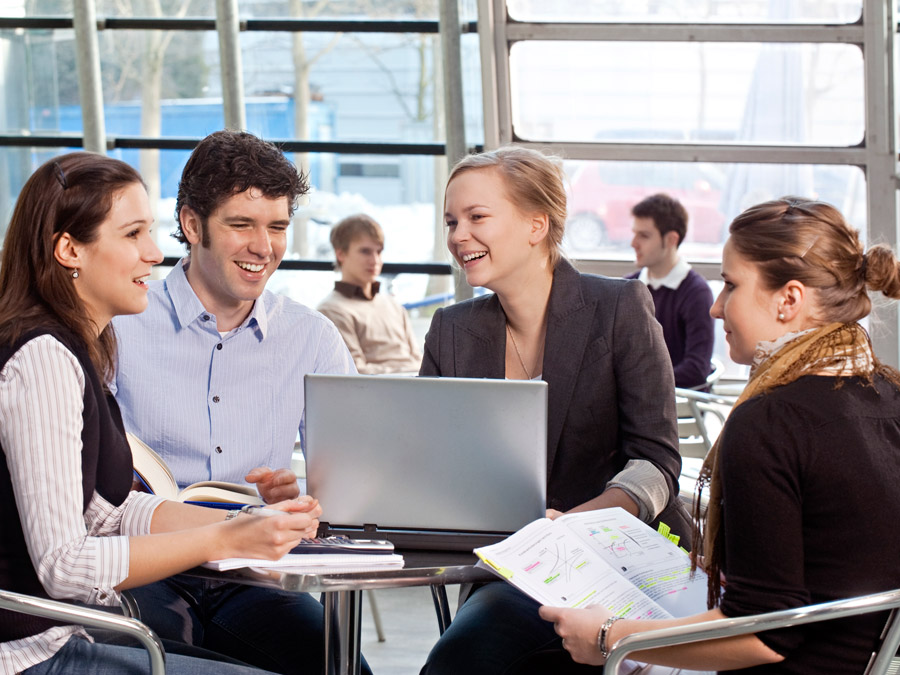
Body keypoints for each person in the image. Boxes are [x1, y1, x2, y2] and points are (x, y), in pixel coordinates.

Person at [541, 197, 900, 673]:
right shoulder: (887, 394)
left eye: (730, 285)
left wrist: (609, 637)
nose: (714, 307)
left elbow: (763, 632)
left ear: (788, 299)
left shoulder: (770, 421)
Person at [0, 152, 321, 675]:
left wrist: (248, 523)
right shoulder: (43, 360)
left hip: (70, 632)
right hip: (35, 652)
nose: (154, 254)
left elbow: (110, 514)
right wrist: (224, 538)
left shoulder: (78, 348)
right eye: (132, 235)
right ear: (69, 250)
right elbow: (64, 566)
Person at [419, 146, 690, 675]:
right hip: (505, 569)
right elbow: (429, 459)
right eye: (451, 221)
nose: (457, 235)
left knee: (462, 661)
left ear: (536, 224)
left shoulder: (618, 309)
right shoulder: (452, 331)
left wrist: (566, 529)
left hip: (614, 567)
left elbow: (657, 463)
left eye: (477, 217)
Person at [109, 130, 364, 674]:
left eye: (276, 227)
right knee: (167, 662)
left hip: (253, 573)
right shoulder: (120, 323)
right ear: (192, 224)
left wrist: (307, 494)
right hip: (143, 565)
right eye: (241, 225)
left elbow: (354, 484)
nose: (263, 247)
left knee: (344, 669)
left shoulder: (312, 337)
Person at [627, 194, 715, 389]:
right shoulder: (628, 289)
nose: (634, 243)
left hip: (678, 405)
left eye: (644, 235)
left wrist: (638, 383)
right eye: (634, 233)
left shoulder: (696, 293)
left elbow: (696, 369)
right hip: (635, 402)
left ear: (671, 239)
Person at [317, 213, 422, 373]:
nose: (375, 260)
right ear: (341, 254)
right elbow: (356, 372)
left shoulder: (393, 306)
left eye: (379, 252)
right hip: (373, 395)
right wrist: (410, 370)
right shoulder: (330, 310)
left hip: (416, 390)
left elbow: (421, 362)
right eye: (365, 251)